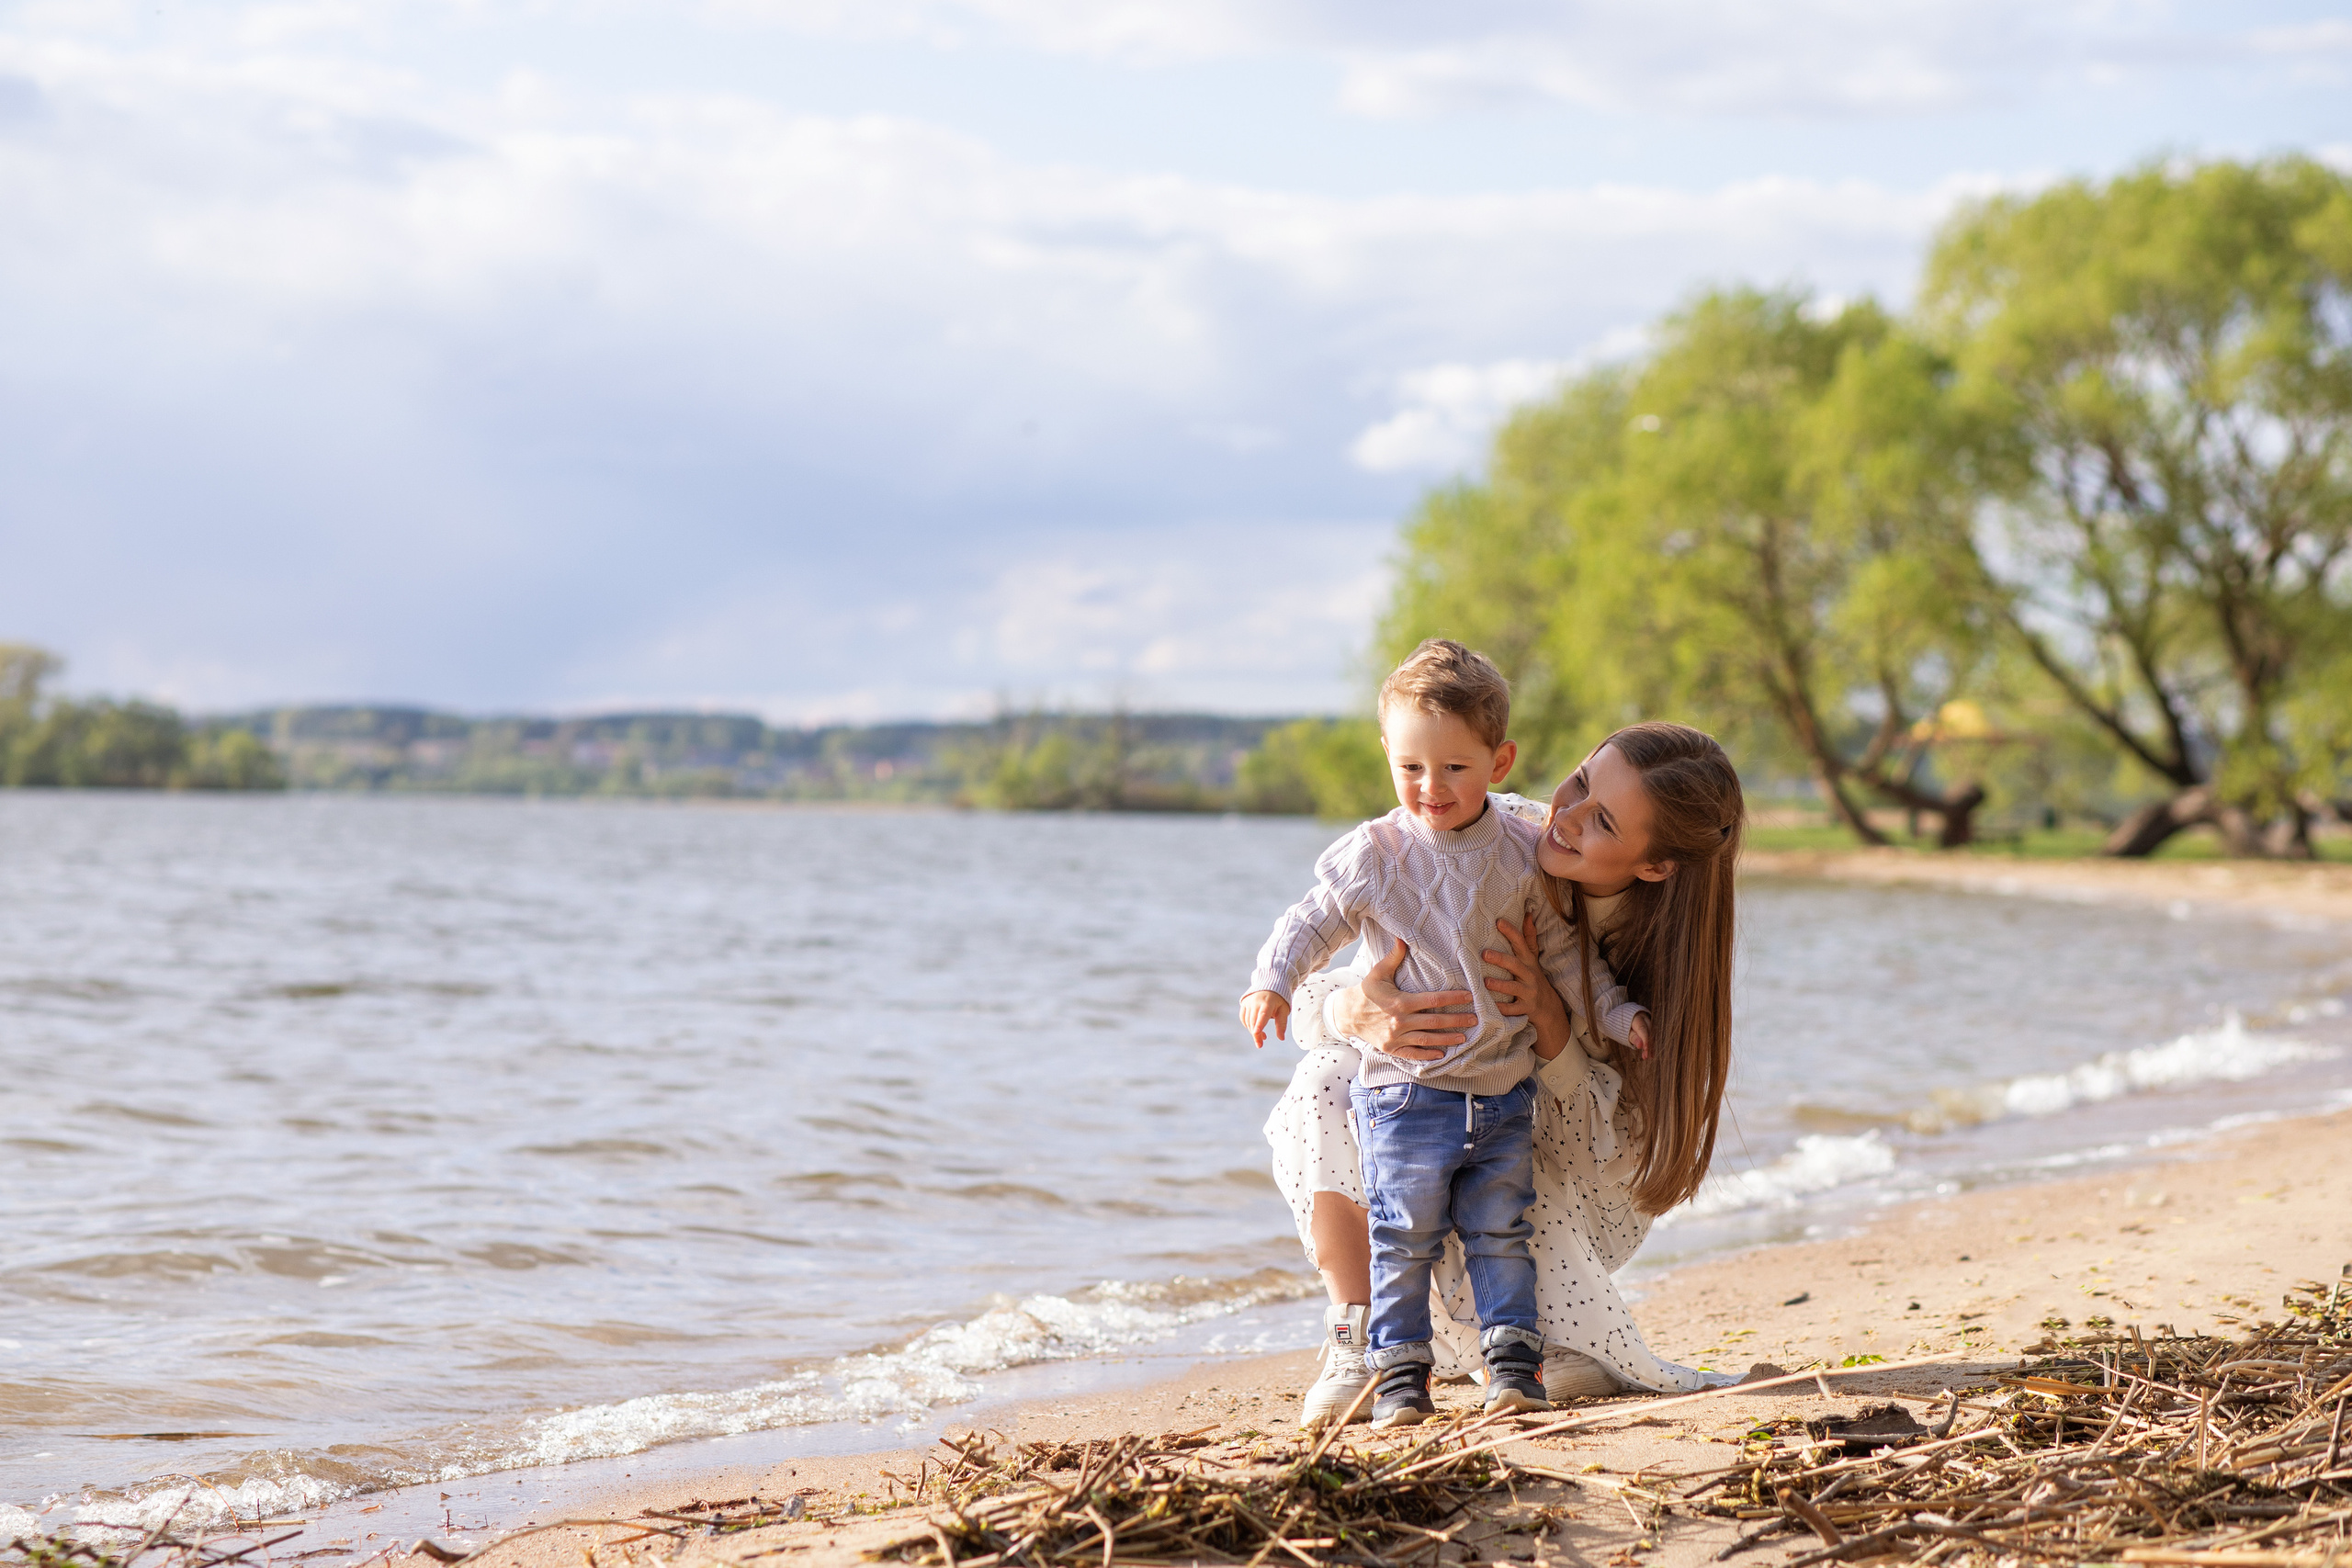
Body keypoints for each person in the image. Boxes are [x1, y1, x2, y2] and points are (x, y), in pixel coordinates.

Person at [1269, 721, 1743, 1427]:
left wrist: (1552, 1023)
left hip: (1573, 1184)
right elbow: (1313, 1002)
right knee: (1330, 1077)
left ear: (1654, 865)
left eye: (1604, 821)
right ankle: (1355, 1339)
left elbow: (1597, 1156)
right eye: (1580, 781)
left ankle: (1529, 1341)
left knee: (1494, 1125)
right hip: (1438, 1113)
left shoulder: (1663, 957)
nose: (1567, 816)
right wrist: (1355, 1010)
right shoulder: (1494, 831)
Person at [1239, 639, 1651, 1427]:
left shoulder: (1525, 851)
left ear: (1500, 761)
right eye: (1411, 767)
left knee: (1501, 1228)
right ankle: (1387, 1366)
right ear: (1386, 753)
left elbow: (1569, 959)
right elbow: (1310, 921)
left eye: (1455, 768)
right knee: (1401, 1232)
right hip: (1405, 1092)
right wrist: (1274, 982)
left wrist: (1616, 1013)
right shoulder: (1376, 852)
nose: (1431, 787)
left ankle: (1514, 1367)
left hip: (1502, 1093)